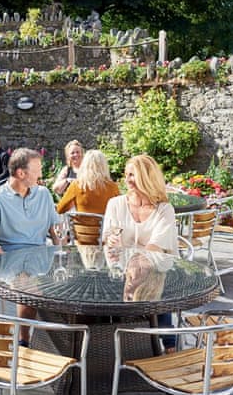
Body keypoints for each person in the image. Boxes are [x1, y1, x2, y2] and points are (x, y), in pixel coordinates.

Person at [0, 148, 63, 345]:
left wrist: (64, 250)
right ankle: (23, 340)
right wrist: (6, 260)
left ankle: (60, 343)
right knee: (28, 287)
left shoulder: (44, 194)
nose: (41, 173)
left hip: (41, 257)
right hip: (11, 258)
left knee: (68, 284)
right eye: (37, 169)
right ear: (21, 173)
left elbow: (56, 231)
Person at [102, 154, 178, 349]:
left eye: (133, 175)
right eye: (126, 174)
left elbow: (156, 246)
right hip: (121, 268)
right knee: (102, 290)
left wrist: (135, 264)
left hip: (155, 268)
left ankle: (167, 345)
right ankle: (115, 343)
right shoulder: (116, 204)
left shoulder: (164, 209)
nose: (127, 180)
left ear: (147, 177)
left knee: (154, 284)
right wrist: (110, 240)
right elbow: (107, 236)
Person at [55, 149, 120, 215]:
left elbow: (60, 209)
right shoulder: (112, 187)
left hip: (80, 222)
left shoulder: (77, 185)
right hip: (105, 221)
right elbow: (119, 210)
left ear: (85, 165)